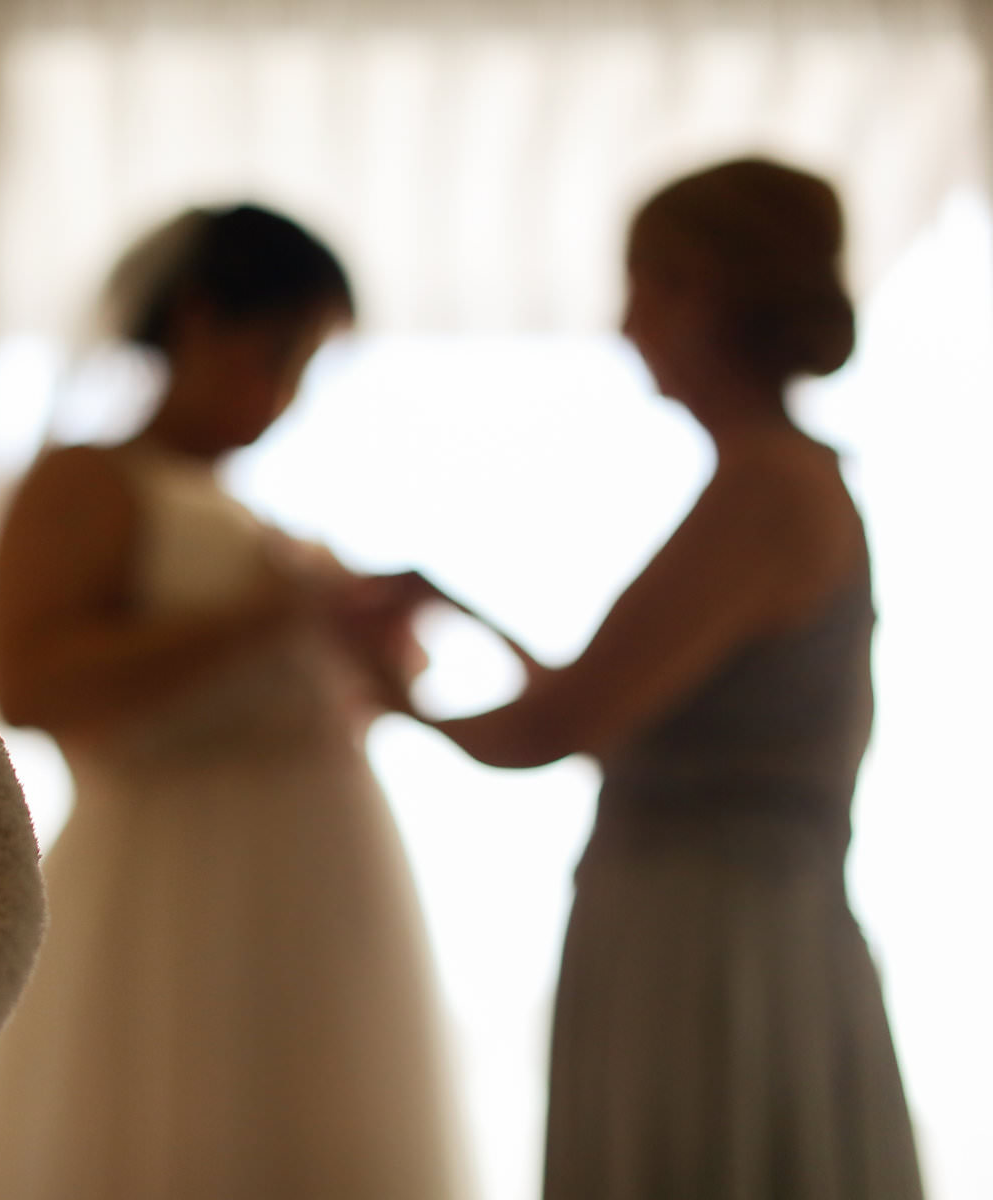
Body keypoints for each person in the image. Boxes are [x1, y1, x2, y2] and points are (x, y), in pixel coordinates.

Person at [389, 158, 924, 1199]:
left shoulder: (766, 487)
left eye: (645, 281)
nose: (627, 320)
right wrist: (453, 613)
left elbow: (558, 724)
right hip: (733, 928)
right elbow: (618, 707)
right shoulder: (781, 481)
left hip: (710, 947)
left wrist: (382, 680)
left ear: (705, 288)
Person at [0, 203, 468, 1200]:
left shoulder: (254, 520)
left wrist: (371, 657)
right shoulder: (87, 480)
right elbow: (31, 683)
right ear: (202, 318)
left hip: (317, 906)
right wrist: (270, 621)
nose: (286, 395)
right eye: (280, 353)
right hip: (169, 896)